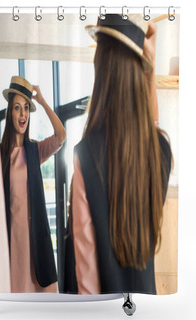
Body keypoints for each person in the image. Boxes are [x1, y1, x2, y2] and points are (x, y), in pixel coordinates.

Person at [66, 14, 172, 294]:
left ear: (102, 71)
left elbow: (86, 277)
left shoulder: (86, 155)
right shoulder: (160, 152)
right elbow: (152, 128)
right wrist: (149, 60)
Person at [0, 76, 66, 293]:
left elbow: (61, 135)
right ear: (10, 112)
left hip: (37, 241)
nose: (22, 114)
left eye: (26, 108)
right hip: (12, 243)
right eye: (17, 108)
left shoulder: (35, 150)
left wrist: (43, 101)